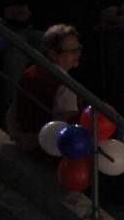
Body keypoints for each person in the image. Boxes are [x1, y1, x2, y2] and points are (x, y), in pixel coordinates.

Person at [7, 23, 81, 152]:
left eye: (78, 49)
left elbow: (11, 112)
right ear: (53, 54)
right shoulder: (64, 84)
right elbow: (63, 124)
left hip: (25, 143)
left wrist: (16, 135)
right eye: (73, 51)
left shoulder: (30, 71)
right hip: (45, 151)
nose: (78, 54)